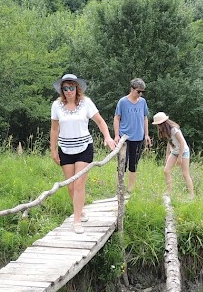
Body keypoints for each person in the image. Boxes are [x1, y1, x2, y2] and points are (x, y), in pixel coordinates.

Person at [50, 73, 116, 233]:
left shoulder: (86, 103)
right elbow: (54, 128)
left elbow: (100, 121)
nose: (68, 91)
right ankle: (80, 210)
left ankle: (77, 220)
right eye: (65, 88)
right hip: (65, 149)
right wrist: (53, 150)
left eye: (71, 87)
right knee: (71, 186)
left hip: (84, 148)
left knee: (79, 184)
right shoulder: (56, 105)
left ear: (77, 88)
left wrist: (107, 137)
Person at [113, 77, 150, 193]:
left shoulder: (143, 102)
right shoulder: (123, 102)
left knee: (133, 164)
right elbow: (117, 118)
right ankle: (120, 187)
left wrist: (146, 135)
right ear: (131, 89)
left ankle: (131, 188)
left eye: (142, 92)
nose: (140, 94)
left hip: (138, 137)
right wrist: (116, 135)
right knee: (122, 163)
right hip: (125, 137)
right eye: (138, 91)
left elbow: (145, 117)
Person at [152, 111, 194, 199]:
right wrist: (167, 155)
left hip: (183, 152)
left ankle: (191, 195)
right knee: (166, 170)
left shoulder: (174, 129)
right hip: (174, 152)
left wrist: (180, 158)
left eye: (158, 124)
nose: (157, 126)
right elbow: (169, 142)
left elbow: (182, 143)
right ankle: (169, 191)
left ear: (163, 123)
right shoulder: (165, 130)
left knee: (185, 173)